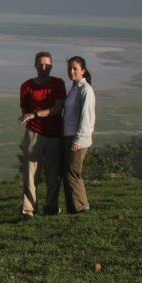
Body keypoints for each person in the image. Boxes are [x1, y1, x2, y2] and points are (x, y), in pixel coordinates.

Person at [18, 52, 66, 219]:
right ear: (35, 65)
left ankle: (51, 207)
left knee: (53, 173)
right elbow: (24, 110)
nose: (44, 67)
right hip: (33, 133)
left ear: (51, 66)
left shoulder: (58, 84)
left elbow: (58, 108)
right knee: (30, 173)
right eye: (40, 64)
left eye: (47, 65)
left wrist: (35, 114)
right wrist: (32, 117)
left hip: (53, 133)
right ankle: (28, 209)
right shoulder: (26, 86)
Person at [62, 56, 96, 214]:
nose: (71, 71)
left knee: (73, 172)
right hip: (68, 135)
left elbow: (86, 117)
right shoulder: (74, 88)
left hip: (77, 138)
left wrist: (78, 139)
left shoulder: (85, 90)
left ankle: (82, 207)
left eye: (75, 68)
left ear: (83, 70)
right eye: (69, 68)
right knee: (67, 172)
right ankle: (72, 208)